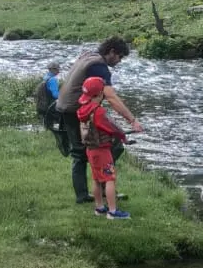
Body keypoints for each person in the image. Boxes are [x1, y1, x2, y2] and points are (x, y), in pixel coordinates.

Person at [56, 38, 144, 204]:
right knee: (111, 146)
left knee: (80, 152)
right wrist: (132, 120)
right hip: (76, 109)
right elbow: (111, 97)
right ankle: (103, 187)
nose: (119, 61)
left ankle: (87, 193)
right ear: (111, 52)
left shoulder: (88, 55)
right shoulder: (99, 66)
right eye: (120, 57)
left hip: (66, 107)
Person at [78, 76, 131, 219]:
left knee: (96, 178)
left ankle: (100, 208)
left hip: (90, 149)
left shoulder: (83, 109)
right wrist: (122, 136)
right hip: (102, 150)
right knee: (109, 178)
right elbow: (110, 127)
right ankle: (113, 212)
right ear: (100, 94)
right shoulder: (99, 111)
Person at [33, 61, 69, 157]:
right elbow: (55, 94)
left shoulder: (46, 77)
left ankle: (47, 133)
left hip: (44, 105)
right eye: (57, 69)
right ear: (53, 70)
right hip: (51, 105)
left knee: (48, 123)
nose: (58, 70)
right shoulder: (52, 80)